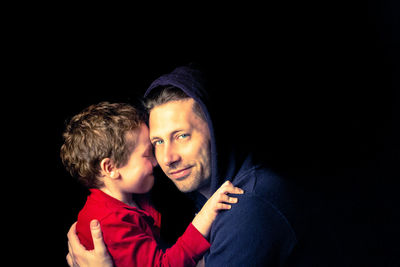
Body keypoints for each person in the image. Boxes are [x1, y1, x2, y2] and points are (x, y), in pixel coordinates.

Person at [67, 65, 334, 266]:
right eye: (157, 142)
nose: (166, 158)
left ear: (215, 129)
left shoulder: (248, 209)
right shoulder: (200, 194)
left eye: (182, 136)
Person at [61, 101, 244, 267]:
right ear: (110, 168)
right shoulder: (109, 222)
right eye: (147, 154)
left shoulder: (132, 199)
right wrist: (205, 216)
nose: (158, 162)